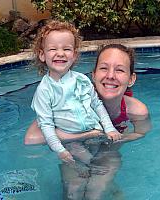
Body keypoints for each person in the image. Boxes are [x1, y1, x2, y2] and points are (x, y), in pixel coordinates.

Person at [25, 43, 152, 199]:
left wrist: (113, 139)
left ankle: (110, 186)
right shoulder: (72, 101)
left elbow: (141, 132)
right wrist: (89, 135)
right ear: (93, 75)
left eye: (119, 70)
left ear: (131, 79)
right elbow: (31, 139)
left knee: (95, 193)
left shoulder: (136, 110)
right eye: (104, 68)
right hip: (74, 151)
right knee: (73, 191)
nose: (110, 75)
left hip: (107, 152)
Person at [30, 20, 122, 178]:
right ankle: (81, 167)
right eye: (53, 49)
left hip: (95, 133)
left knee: (107, 156)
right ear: (42, 55)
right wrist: (60, 150)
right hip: (71, 141)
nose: (60, 53)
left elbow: (97, 105)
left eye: (67, 49)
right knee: (93, 164)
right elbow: (46, 125)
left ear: (74, 55)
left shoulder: (82, 80)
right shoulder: (44, 91)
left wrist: (109, 128)